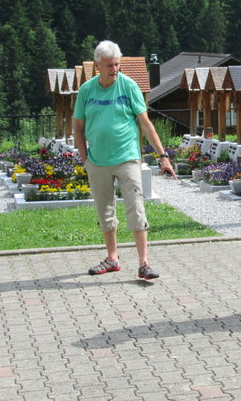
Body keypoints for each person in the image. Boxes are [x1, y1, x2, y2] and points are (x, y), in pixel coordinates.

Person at [73, 40, 177, 280]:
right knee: (105, 211)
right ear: (97, 65)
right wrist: (85, 159)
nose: (114, 69)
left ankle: (144, 264)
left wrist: (163, 156)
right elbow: (78, 127)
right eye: (109, 65)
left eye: (117, 64)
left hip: (127, 159)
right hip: (97, 161)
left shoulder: (128, 86)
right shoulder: (87, 90)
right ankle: (112, 259)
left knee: (135, 208)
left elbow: (145, 123)